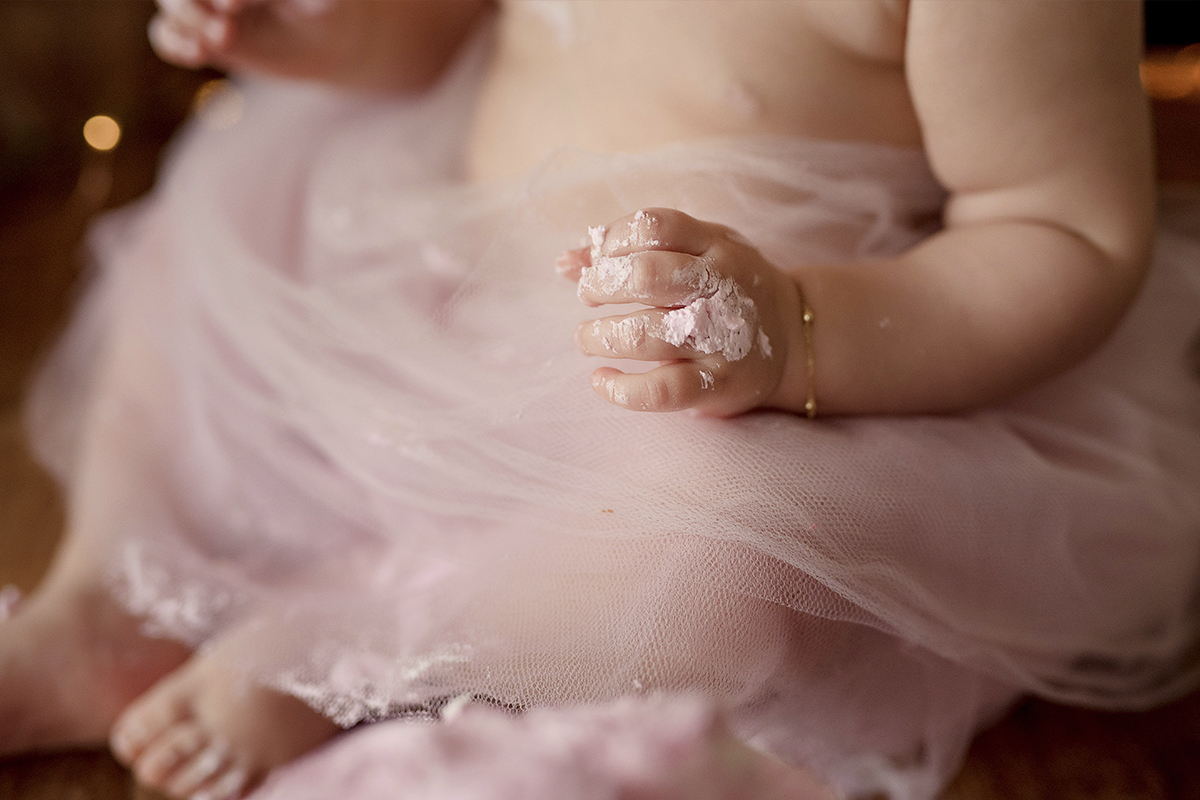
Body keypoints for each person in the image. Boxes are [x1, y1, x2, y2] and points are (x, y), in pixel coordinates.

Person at [3, 1, 1198, 798]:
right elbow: (447, 34)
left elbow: (1063, 230)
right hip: (428, 273)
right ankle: (108, 589)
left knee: (732, 560)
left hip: (743, 380)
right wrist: (310, 34)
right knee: (219, 217)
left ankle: (366, 646)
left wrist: (798, 332)